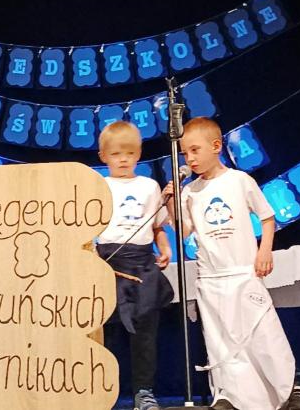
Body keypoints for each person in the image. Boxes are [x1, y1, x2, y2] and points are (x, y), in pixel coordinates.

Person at [164, 116, 300, 410]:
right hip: (211, 277)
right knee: (221, 340)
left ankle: (290, 388)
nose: (189, 158)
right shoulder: (189, 192)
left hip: (242, 272)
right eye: (185, 153)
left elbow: (267, 217)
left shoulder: (239, 181)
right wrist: (170, 201)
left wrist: (264, 251)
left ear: (216, 146)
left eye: (195, 150)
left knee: (263, 333)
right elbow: (184, 230)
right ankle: (230, 395)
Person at [95, 120, 174, 410]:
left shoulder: (149, 186)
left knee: (145, 334)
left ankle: (144, 391)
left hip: (142, 264)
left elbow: (157, 225)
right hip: (107, 263)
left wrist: (165, 248)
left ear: (138, 154)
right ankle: (101, 391)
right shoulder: (98, 186)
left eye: (129, 153)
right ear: (104, 156)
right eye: (116, 154)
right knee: (106, 333)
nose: (123, 160)